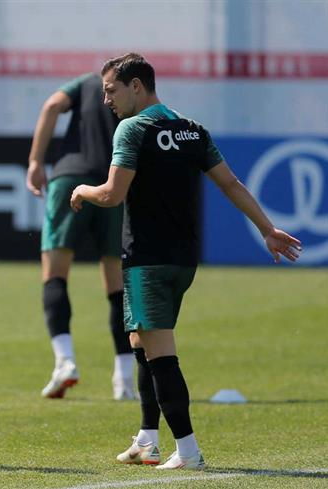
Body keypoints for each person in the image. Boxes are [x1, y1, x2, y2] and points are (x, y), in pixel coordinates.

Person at [70, 53, 301, 470]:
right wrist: (267, 228)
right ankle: (147, 439)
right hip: (183, 260)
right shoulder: (193, 130)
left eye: (111, 90)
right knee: (140, 341)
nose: (106, 100)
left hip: (147, 259)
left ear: (136, 86)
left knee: (160, 354)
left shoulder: (132, 129)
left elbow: (112, 194)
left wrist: (82, 190)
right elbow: (230, 183)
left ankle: (188, 450)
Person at [27, 73, 135, 400]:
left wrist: (35, 161)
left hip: (69, 177)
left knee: (55, 273)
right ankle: (124, 379)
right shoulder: (134, 90)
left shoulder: (86, 83)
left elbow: (52, 105)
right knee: (116, 283)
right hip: (112, 182)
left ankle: (65, 362)